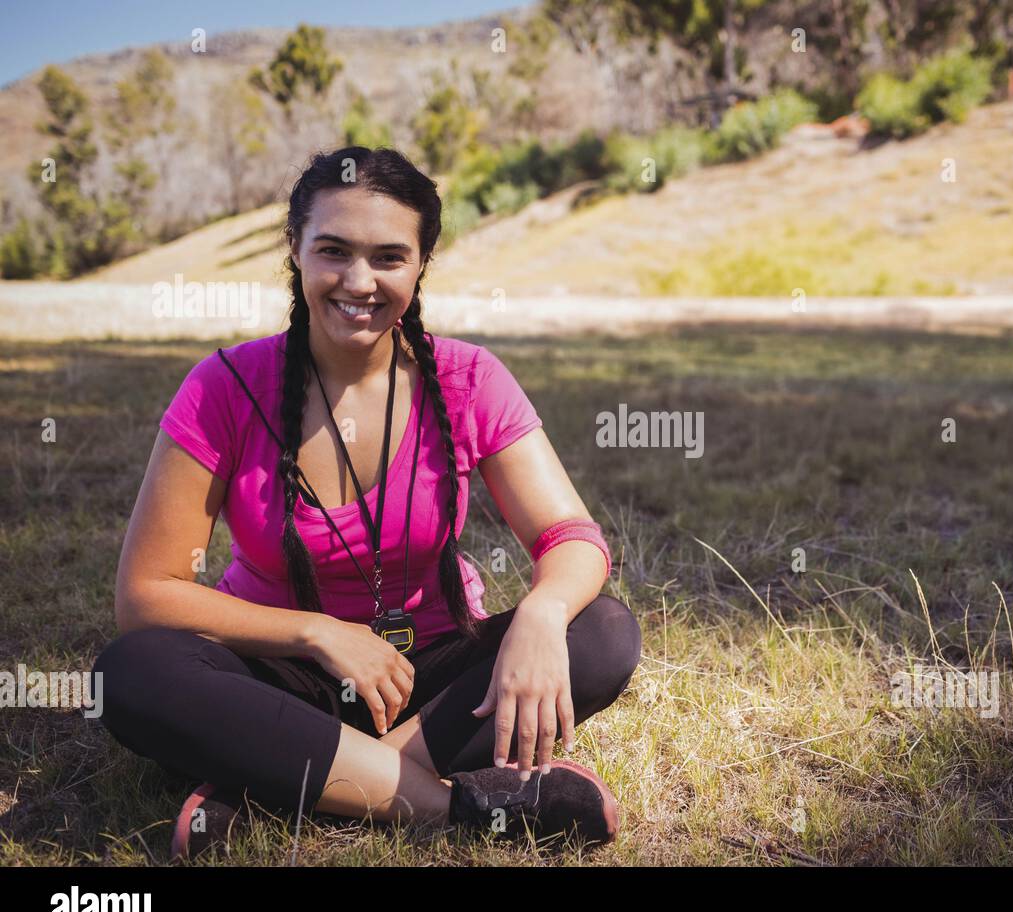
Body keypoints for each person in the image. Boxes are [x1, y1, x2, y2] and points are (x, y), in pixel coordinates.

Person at [93, 146, 641, 861]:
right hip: (275, 679)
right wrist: (317, 632)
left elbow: (570, 535)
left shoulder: (470, 378)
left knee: (599, 632)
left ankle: (276, 777)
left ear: (420, 265)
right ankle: (458, 805)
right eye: (333, 251)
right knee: (133, 673)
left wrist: (539, 612)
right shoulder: (224, 385)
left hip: (428, 677)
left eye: (389, 257)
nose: (359, 281)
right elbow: (145, 595)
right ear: (294, 250)